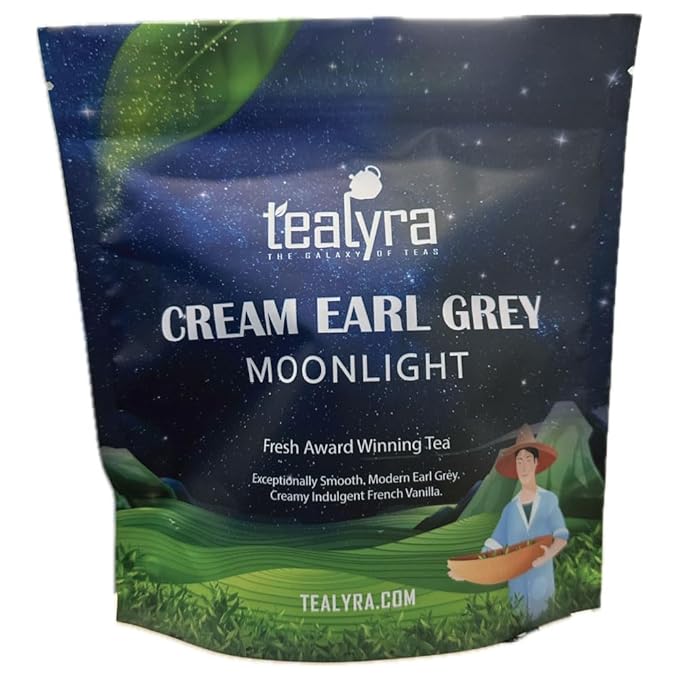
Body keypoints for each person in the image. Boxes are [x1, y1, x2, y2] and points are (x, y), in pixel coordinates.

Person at [450, 425, 569, 619]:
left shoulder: (549, 500)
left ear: (536, 463)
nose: (523, 466)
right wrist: (467, 573)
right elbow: (494, 545)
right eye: (519, 461)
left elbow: (561, 535)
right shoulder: (510, 509)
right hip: (517, 591)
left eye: (528, 460)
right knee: (519, 623)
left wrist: (547, 556)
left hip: (543, 585)